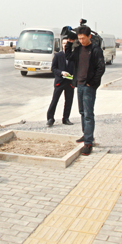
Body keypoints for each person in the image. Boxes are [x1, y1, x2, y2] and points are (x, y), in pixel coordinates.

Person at [65, 25, 105, 156]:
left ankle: (88, 143)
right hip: (80, 84)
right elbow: (68, 57)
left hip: (88, 86)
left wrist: (91, 83)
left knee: (88, 114)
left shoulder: (95, 50)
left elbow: (101, 68)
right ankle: (86, 135)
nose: (81, 41)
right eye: (79, 38)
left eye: (83, 38)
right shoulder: (78, 49)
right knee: (82, 112)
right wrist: (69, 43)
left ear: (89, 36)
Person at [46, 38, 75, 127]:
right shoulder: (58, 55)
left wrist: (74, 75)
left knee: (69, 101)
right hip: (60, 81)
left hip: (70, 82)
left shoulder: (73, 56)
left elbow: (77, 68)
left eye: (67, 43)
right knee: (55, 100)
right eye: (63, 43)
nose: (65, 45)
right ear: (61, 44)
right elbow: (53, 68)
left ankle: (66, 118)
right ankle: (50, 118)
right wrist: (61, 72)